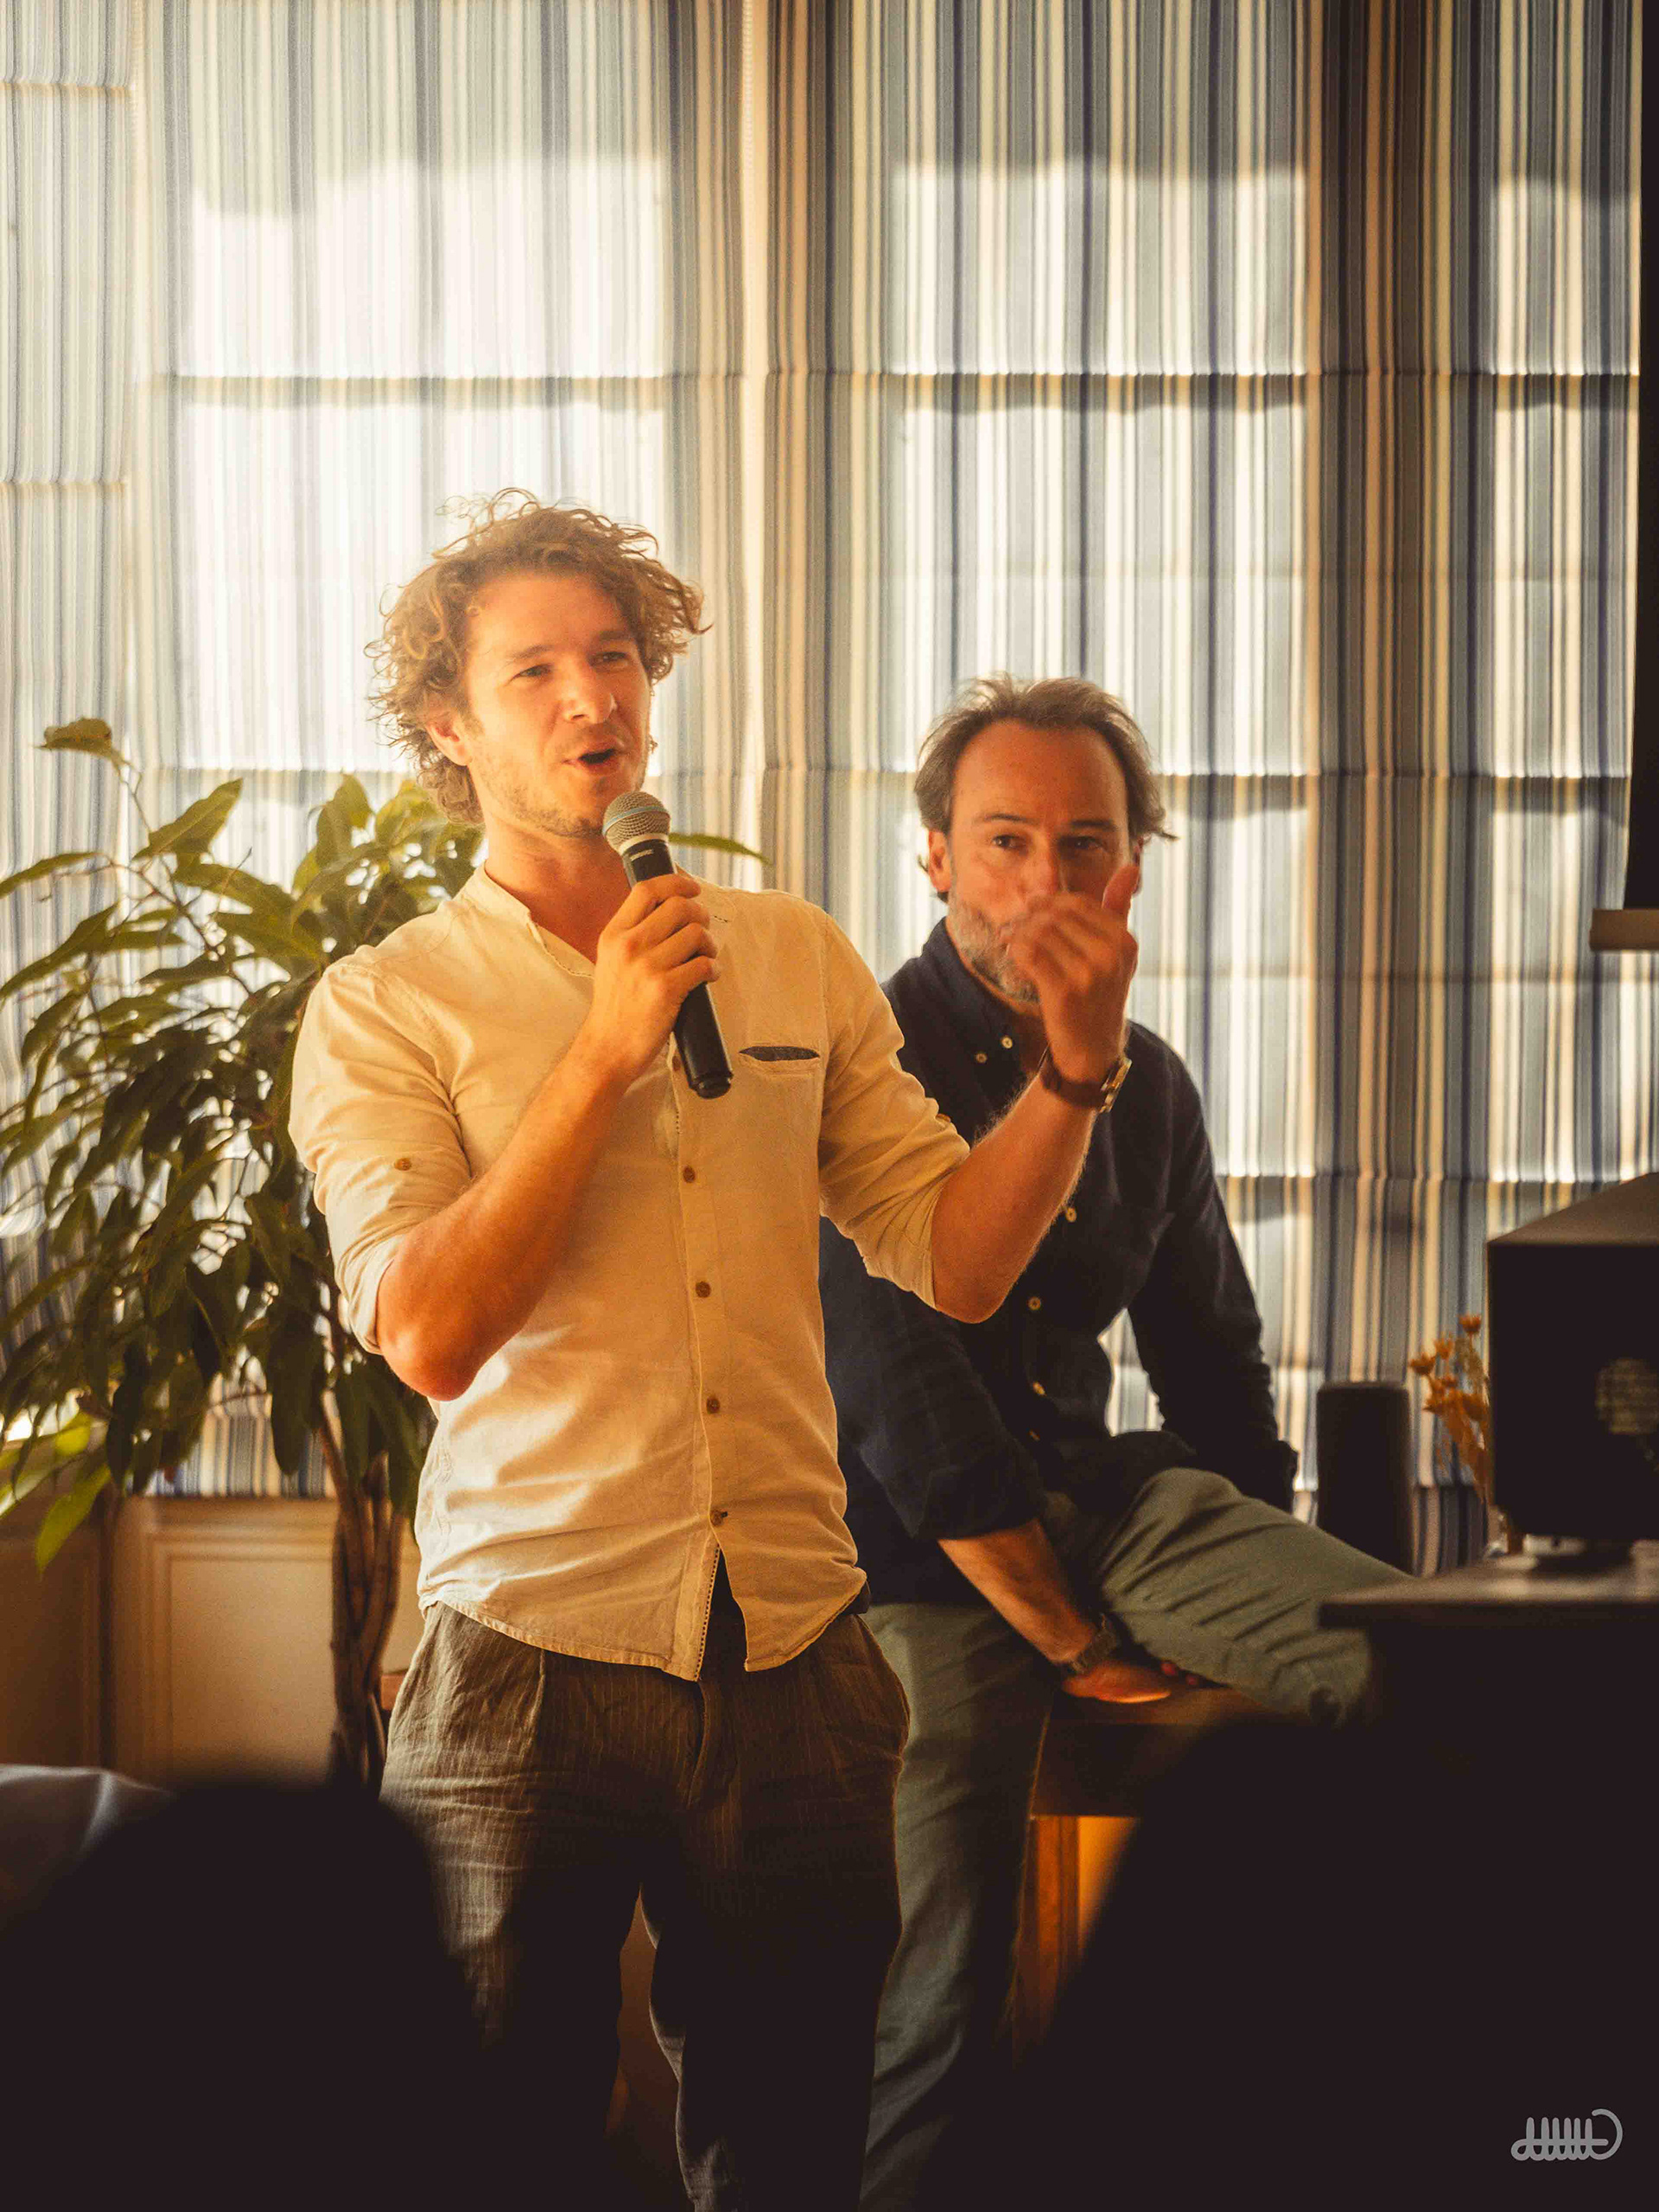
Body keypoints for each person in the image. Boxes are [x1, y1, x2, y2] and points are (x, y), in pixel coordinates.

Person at [288, 497, 1159, 2212]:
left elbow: (956, 1262)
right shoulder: (388, 1002)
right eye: (534, 670)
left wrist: (1075, 1072)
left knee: (798, 2151)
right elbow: (431, 1335)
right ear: (449, 724)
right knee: (495, 2147)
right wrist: (601, 1051)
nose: (592, 696)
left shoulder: (789, 952)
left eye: (615, 655)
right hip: (523, 1648)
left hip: (799, 1654)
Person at [816, 675, 1414, 2212]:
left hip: (1108, 1501)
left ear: (1129, 867)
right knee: (942, 1980)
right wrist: (1068, 1637)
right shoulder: (857, 1053)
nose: (1045, 880)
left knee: (1430, 1676)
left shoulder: (1152, 1082)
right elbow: (902, 1398)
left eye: (1084, 843)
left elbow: (1210, 1356)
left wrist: (1251, 1554)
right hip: (919, 1553)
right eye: (1005, 840)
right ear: (935, 856)